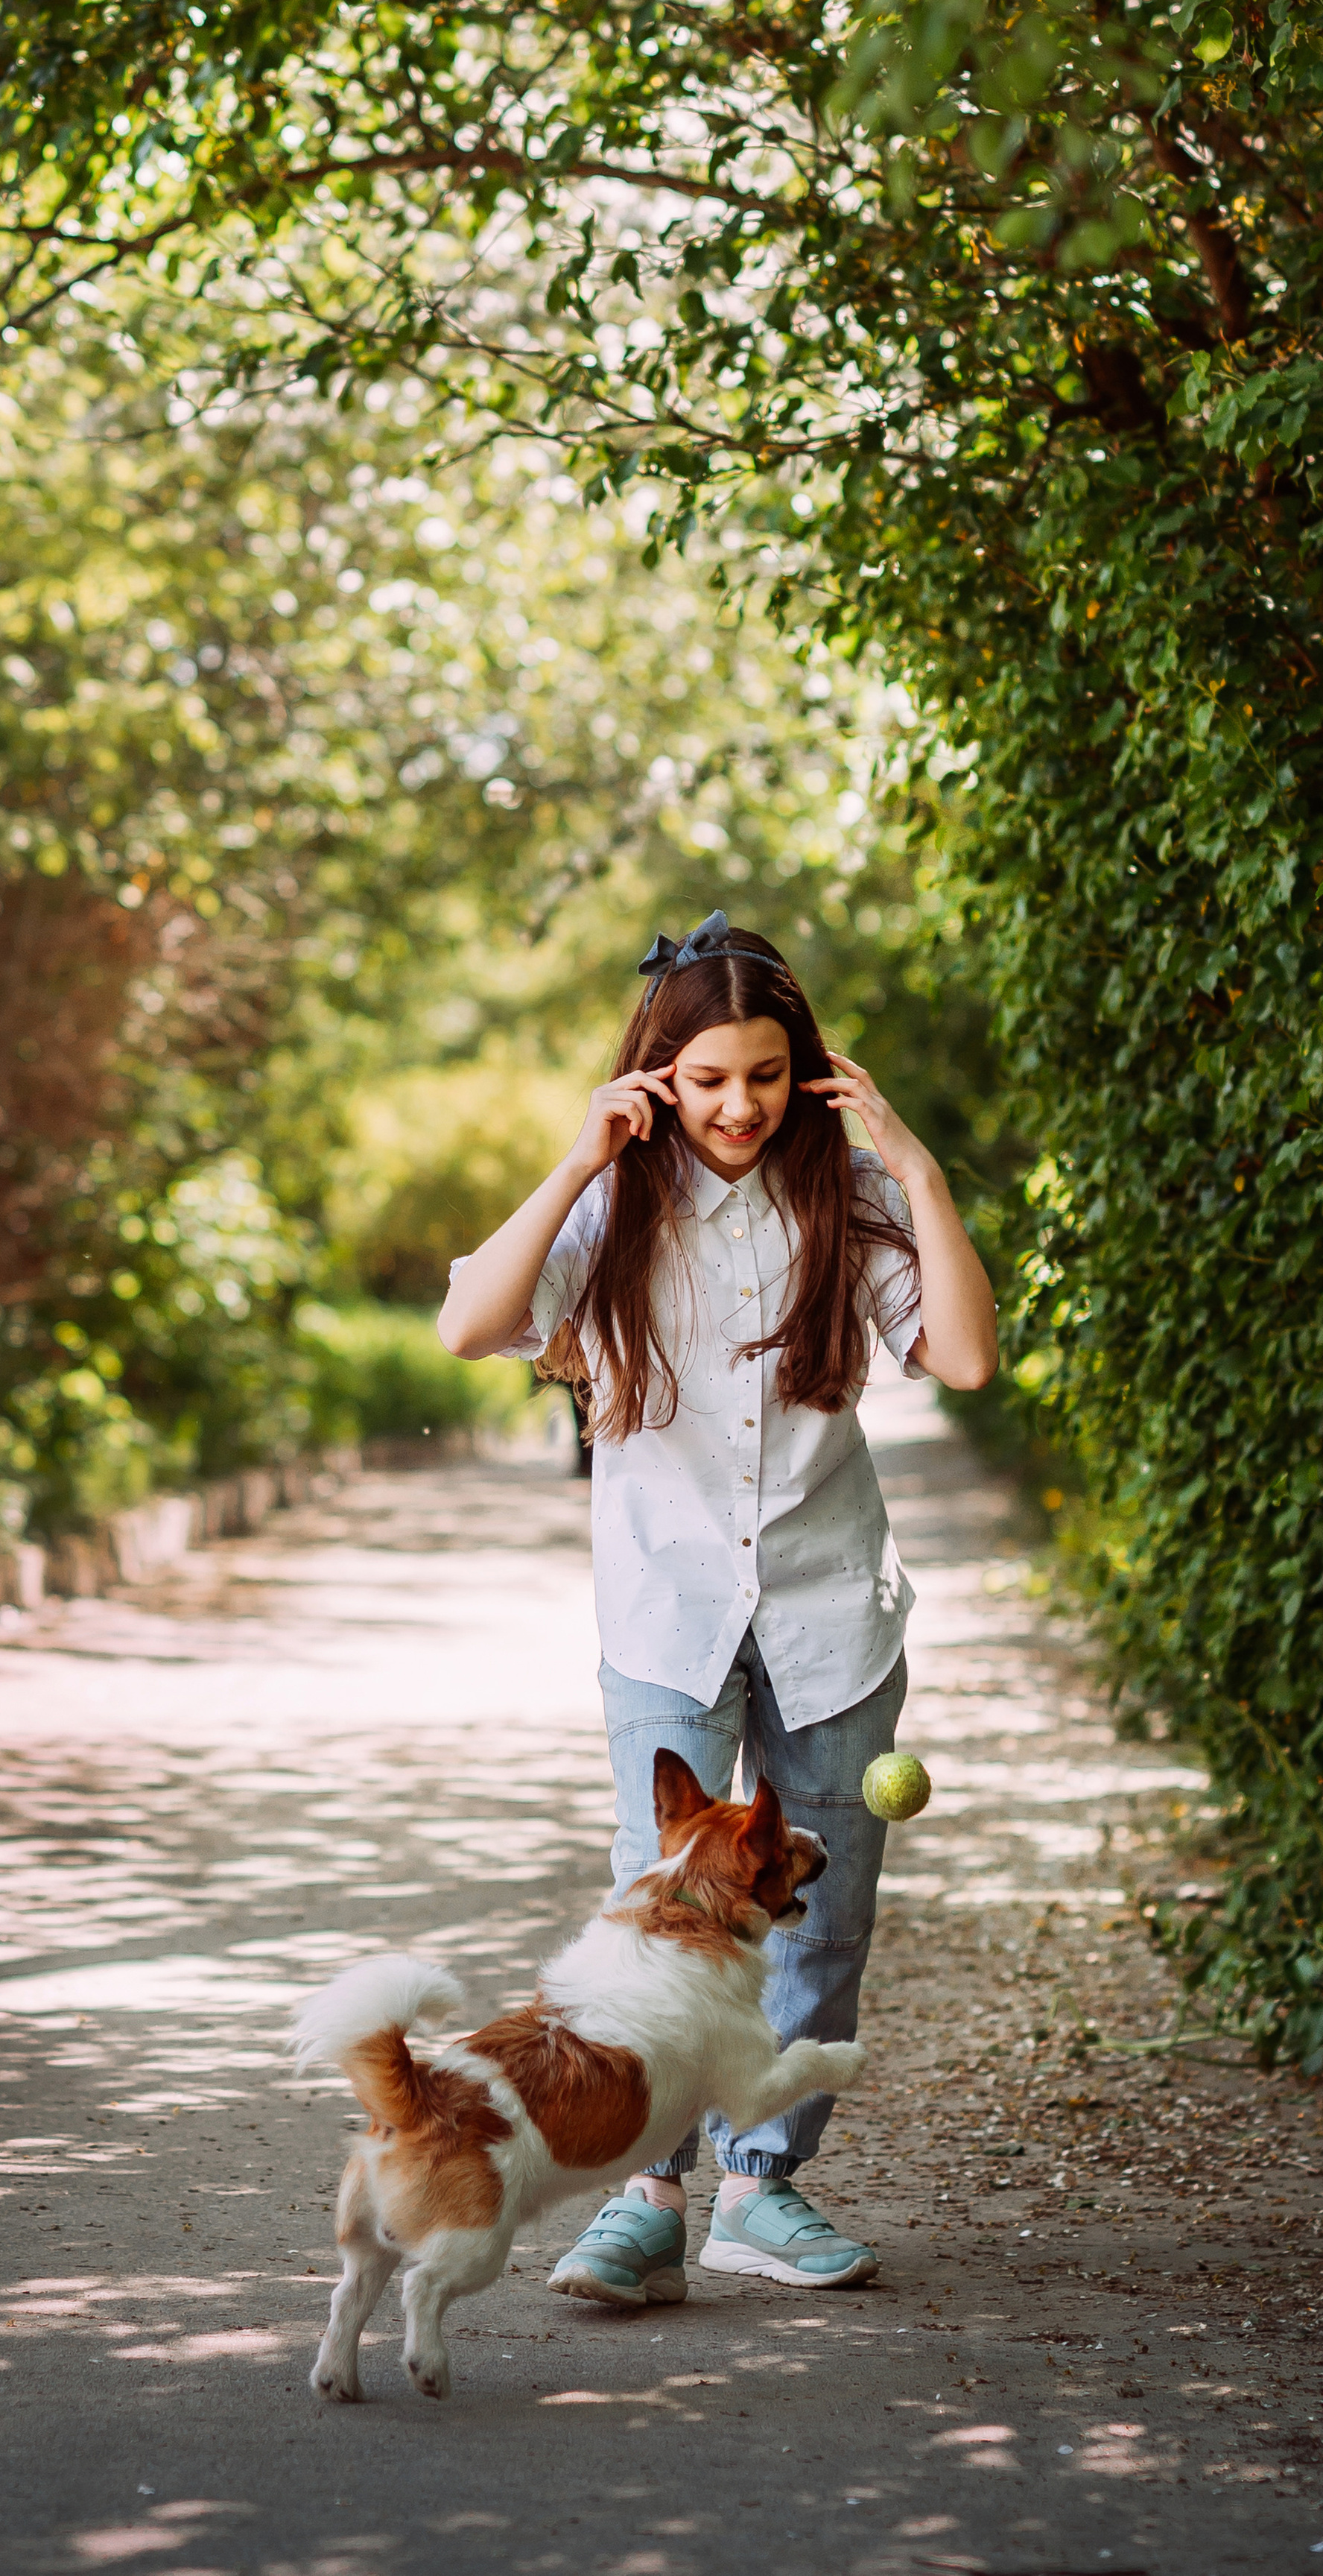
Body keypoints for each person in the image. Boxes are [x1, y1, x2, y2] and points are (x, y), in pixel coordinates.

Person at [437, 910, 997, 2300]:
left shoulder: (848, 1204)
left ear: (804, 1074)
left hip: (833, 1622)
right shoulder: (612, 1207)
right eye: (705, 1080)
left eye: (763, 1074)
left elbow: (968, 1357)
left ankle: (763, 2192)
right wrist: (580, 1153)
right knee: (663, 1918)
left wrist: (909, 1161)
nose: (737, 1105)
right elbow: (466, 1326)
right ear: (658, 1082)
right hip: (665, 1622)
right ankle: (644, 2198)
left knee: (827, 1915)